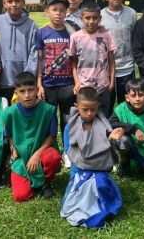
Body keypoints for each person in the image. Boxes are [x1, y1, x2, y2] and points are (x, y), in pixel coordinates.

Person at [60, 87, 123, 228]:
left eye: (93, 110)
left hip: (100, 170)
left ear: (98, 107)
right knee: (67, 206)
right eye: (85, 109)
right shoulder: (70, 127)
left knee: (104, 197)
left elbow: (108, 144)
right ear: (77, 107)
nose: (89, 114)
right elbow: (69, 151)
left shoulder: (103, 123)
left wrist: (112, 137)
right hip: (79, 171)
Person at [4, 72, 62, 201]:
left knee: (53, 157)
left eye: (30, 90)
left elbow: (51, 136)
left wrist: (36, 155)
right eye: (22, 91)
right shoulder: (10, 113)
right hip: (21, 157)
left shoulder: (48, 110)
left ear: (37, 89)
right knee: (21, 197)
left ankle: (46, 183)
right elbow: (9, 135)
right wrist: (13, 148)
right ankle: (29, 180)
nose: (27, 95)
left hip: (41, 152)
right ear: (16, 92)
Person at [35, 0, 76, 138]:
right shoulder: (41, 32)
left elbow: (75, 59)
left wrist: (76, 82)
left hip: (68, 84)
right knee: (49, 119)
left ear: (66, 12)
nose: (58, 13)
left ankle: (68, 149)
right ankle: (50, 149)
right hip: (48, 84)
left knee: (68, 119)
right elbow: (39, 59)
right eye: (54, 9)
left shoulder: (72, 32)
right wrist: (39, 84)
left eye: (62, 10)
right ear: (47, 11)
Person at [0, 0, 39, 103]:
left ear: (23, 2)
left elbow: (34, 52)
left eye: (17, 1)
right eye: (10, 1)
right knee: (5, 114)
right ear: (4, 3)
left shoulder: (32, 25)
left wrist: (28, 76)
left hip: (24, 82)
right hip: (2, 79)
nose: (14, 4)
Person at [109, 78, 144, 182]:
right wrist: (133, 129)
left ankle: (143, 164)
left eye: (141, 95)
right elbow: (110, 123)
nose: (137, 99)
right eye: (133, 96)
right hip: (131, 144)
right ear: (127, 98)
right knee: (121, 138)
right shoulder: (121, 109)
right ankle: (124, 163)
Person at [69, 2, 116, 116]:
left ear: (100, 18)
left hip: (103, 85)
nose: (91, 21)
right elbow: (74, 62)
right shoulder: (75, 37)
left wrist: (112, 81)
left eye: (94, 18)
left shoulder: (106, 35)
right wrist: (76, 82)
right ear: (81, 18)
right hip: (84, 87)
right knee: (86, 117)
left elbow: (111, 60)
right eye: (87, 18)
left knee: (103, 117)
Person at [100, 0, 138, 114]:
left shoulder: (132, 13)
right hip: (106, 69)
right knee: (107, 106)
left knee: (127, 105)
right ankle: (107, 133)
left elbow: (135, 36)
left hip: (127, 67)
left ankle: (127, 132)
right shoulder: (100, 16)